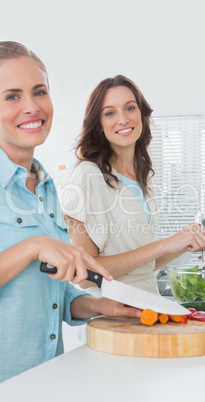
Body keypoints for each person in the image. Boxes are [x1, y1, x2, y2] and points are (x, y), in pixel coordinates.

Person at [0, 42, 141, 383]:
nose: (32, 107)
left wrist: (96, 306)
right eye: (12, 96)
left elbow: (52, 294)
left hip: (47, 379)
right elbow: (34, 253)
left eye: (39, 91)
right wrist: (32, 247)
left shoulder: (46, 186)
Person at [62, 75, 205, 297]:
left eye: (130, 108)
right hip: (109, 317)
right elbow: (86, 275)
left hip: (146, 308)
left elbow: (143, 267)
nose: (123, 119)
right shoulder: (88, 176)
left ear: (142, 114)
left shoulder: (141, 176)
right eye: (110, 113)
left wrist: (187, 241)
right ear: (98, 125)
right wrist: (166, 244)